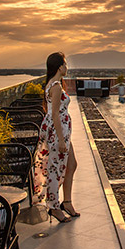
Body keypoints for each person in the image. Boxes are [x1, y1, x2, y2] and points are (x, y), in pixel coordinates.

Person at [33, 51, 79, 223]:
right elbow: (55, 115)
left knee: (71, 165)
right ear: (60, 67)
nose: (67, 67)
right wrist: (60, 139)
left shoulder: (54, 84)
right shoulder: (56, 87)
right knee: (55, 169)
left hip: (62, 132)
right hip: (58, 133)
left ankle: (67, 202)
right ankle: (53, 207)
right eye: (65, 64)